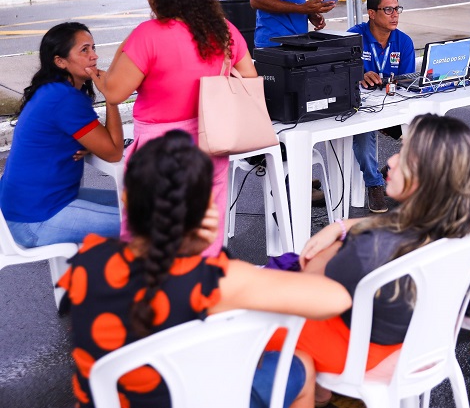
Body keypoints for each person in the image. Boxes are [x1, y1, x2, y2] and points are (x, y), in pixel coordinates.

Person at [58, 130, 352, 408]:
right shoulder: (216, 280)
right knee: (299, 363)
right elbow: (336, 299)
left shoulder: (88, 259)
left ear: (125, 199)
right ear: (207, 211)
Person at [293, 114, 470, 406]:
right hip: (421, 344)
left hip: (366, 355)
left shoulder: (372, 250)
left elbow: (306, 289)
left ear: (429, 176)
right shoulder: (464, 228)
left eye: (404, 154)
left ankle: (319, 392)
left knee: (280, 344)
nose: (391, 161)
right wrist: (340, 226)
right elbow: (396, 224)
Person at [102, 0, 256, 256]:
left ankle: (158, 299)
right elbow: (250, 80)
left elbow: (114, 92)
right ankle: (201, 294)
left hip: (158, 152)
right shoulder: (223, 31)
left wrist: (123, 47)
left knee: (150, 238)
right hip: (212, 143)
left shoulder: (148, 35)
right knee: (206, 232)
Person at [0, 23, 124, 248]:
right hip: (35, 219)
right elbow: (114, 152)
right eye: (84, 50)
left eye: (93, 48)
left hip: (24, 209)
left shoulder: (52, 90)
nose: (94, 56)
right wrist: (111, 96)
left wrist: (93, 143)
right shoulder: (65, 99)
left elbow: (100, 144)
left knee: (141, 204)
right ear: (60, 61)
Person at [347, 0, 416, 213]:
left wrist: (387, 82)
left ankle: (390, 173)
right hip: (362, 108)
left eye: (397, 9)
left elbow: (406, 82)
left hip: (393, 107)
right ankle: (374, 184)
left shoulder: (403, 41)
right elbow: (341, 72)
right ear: (372, 14)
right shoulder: (353, 37)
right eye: (388, 9)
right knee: (364, 135)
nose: (395, 14)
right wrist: (359, 76)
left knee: (424, 132)